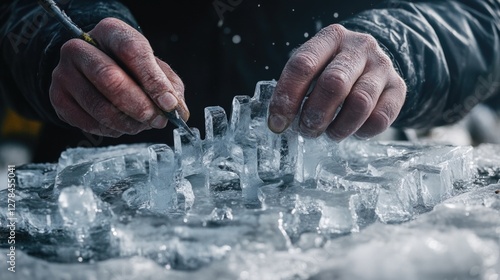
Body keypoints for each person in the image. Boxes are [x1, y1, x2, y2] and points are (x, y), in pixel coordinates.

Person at [1, 0, 499, 162]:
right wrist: (53, 46)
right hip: (104, 196)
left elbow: (484, 16)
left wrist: (400, 46)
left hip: (345, 189)